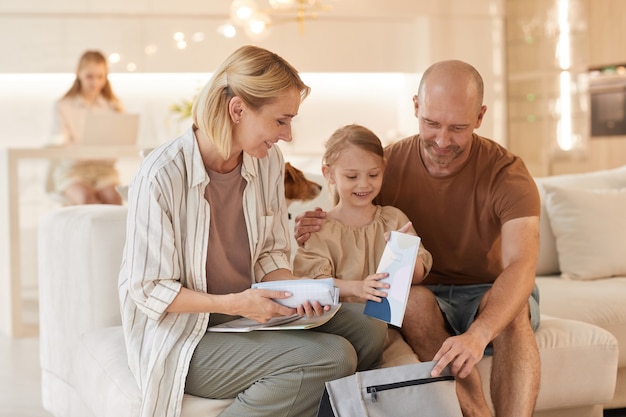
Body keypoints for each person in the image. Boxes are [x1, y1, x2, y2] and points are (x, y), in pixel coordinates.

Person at [118, 45, 387, 417]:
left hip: (250, 314)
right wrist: (234, 303)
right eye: (281, 120)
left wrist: (294, 294)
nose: (288, 135)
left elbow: (271, 253)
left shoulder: (267, 163)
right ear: (238, 109)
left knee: (371, 330)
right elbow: (148, 289)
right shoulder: (161, 175)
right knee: (334, 355)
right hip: (188, 335)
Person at [295, 60, 541, 417]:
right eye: (431, 123)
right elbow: (347, 215)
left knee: (513, 308)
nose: (442, 141)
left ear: (480, 116)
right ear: (415, 107)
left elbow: (522, 264)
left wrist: (478, 334)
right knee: (411, 301)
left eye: (457, 127)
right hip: (420, 293)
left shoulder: (507, 173)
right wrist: (314, 221)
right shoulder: (385, 166)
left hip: (487, 289)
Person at [293, 124, 432, 305]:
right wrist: (358, 287)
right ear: (329, 174)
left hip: (388, 322)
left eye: (373, 175)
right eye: (352, 177)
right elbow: (315, 285)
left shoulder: (394, 219)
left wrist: (404, 251)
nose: (364, 184)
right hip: (343, 321)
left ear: (382, 169)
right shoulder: (319, 228)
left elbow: (417, 277)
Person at [48, 49, 123, 205]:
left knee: (113, 199)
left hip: (104, 171)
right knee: (86, 198)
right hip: (72, 171)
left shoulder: (114, 107)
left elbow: (118, 146)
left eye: (100, 77)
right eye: (89, 76)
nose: (95, 83)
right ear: (79, 73)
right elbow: (61, 144)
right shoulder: (63, 105)